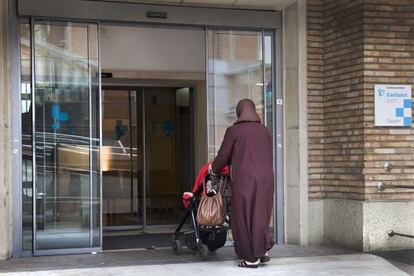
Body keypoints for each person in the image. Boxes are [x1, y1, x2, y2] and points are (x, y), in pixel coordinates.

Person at [210, 98, 274, 268]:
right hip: (267, 179)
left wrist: (213, 169)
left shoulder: (234, 131)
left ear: (239, 112)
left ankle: (251, 258)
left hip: (245, 179)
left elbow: (223, 156)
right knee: (261, 214)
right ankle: (263, 250)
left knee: (244, 216)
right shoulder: (264, 130)